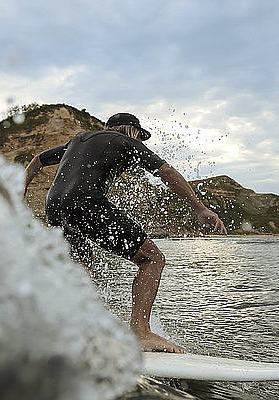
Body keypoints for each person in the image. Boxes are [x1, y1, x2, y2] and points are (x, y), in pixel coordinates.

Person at [24, 112, 227, 353]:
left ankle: (60, 327)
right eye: (140, 137)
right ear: (132, 131)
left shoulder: (78, 140)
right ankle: (141, 333)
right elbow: (167, 173)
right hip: (85, 202)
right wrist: (200, 209)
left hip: (55, 206)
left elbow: (37, 160)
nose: (141, 143)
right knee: (153, 259)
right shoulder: (125, 141)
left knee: (79, 266)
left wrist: (20, 191)